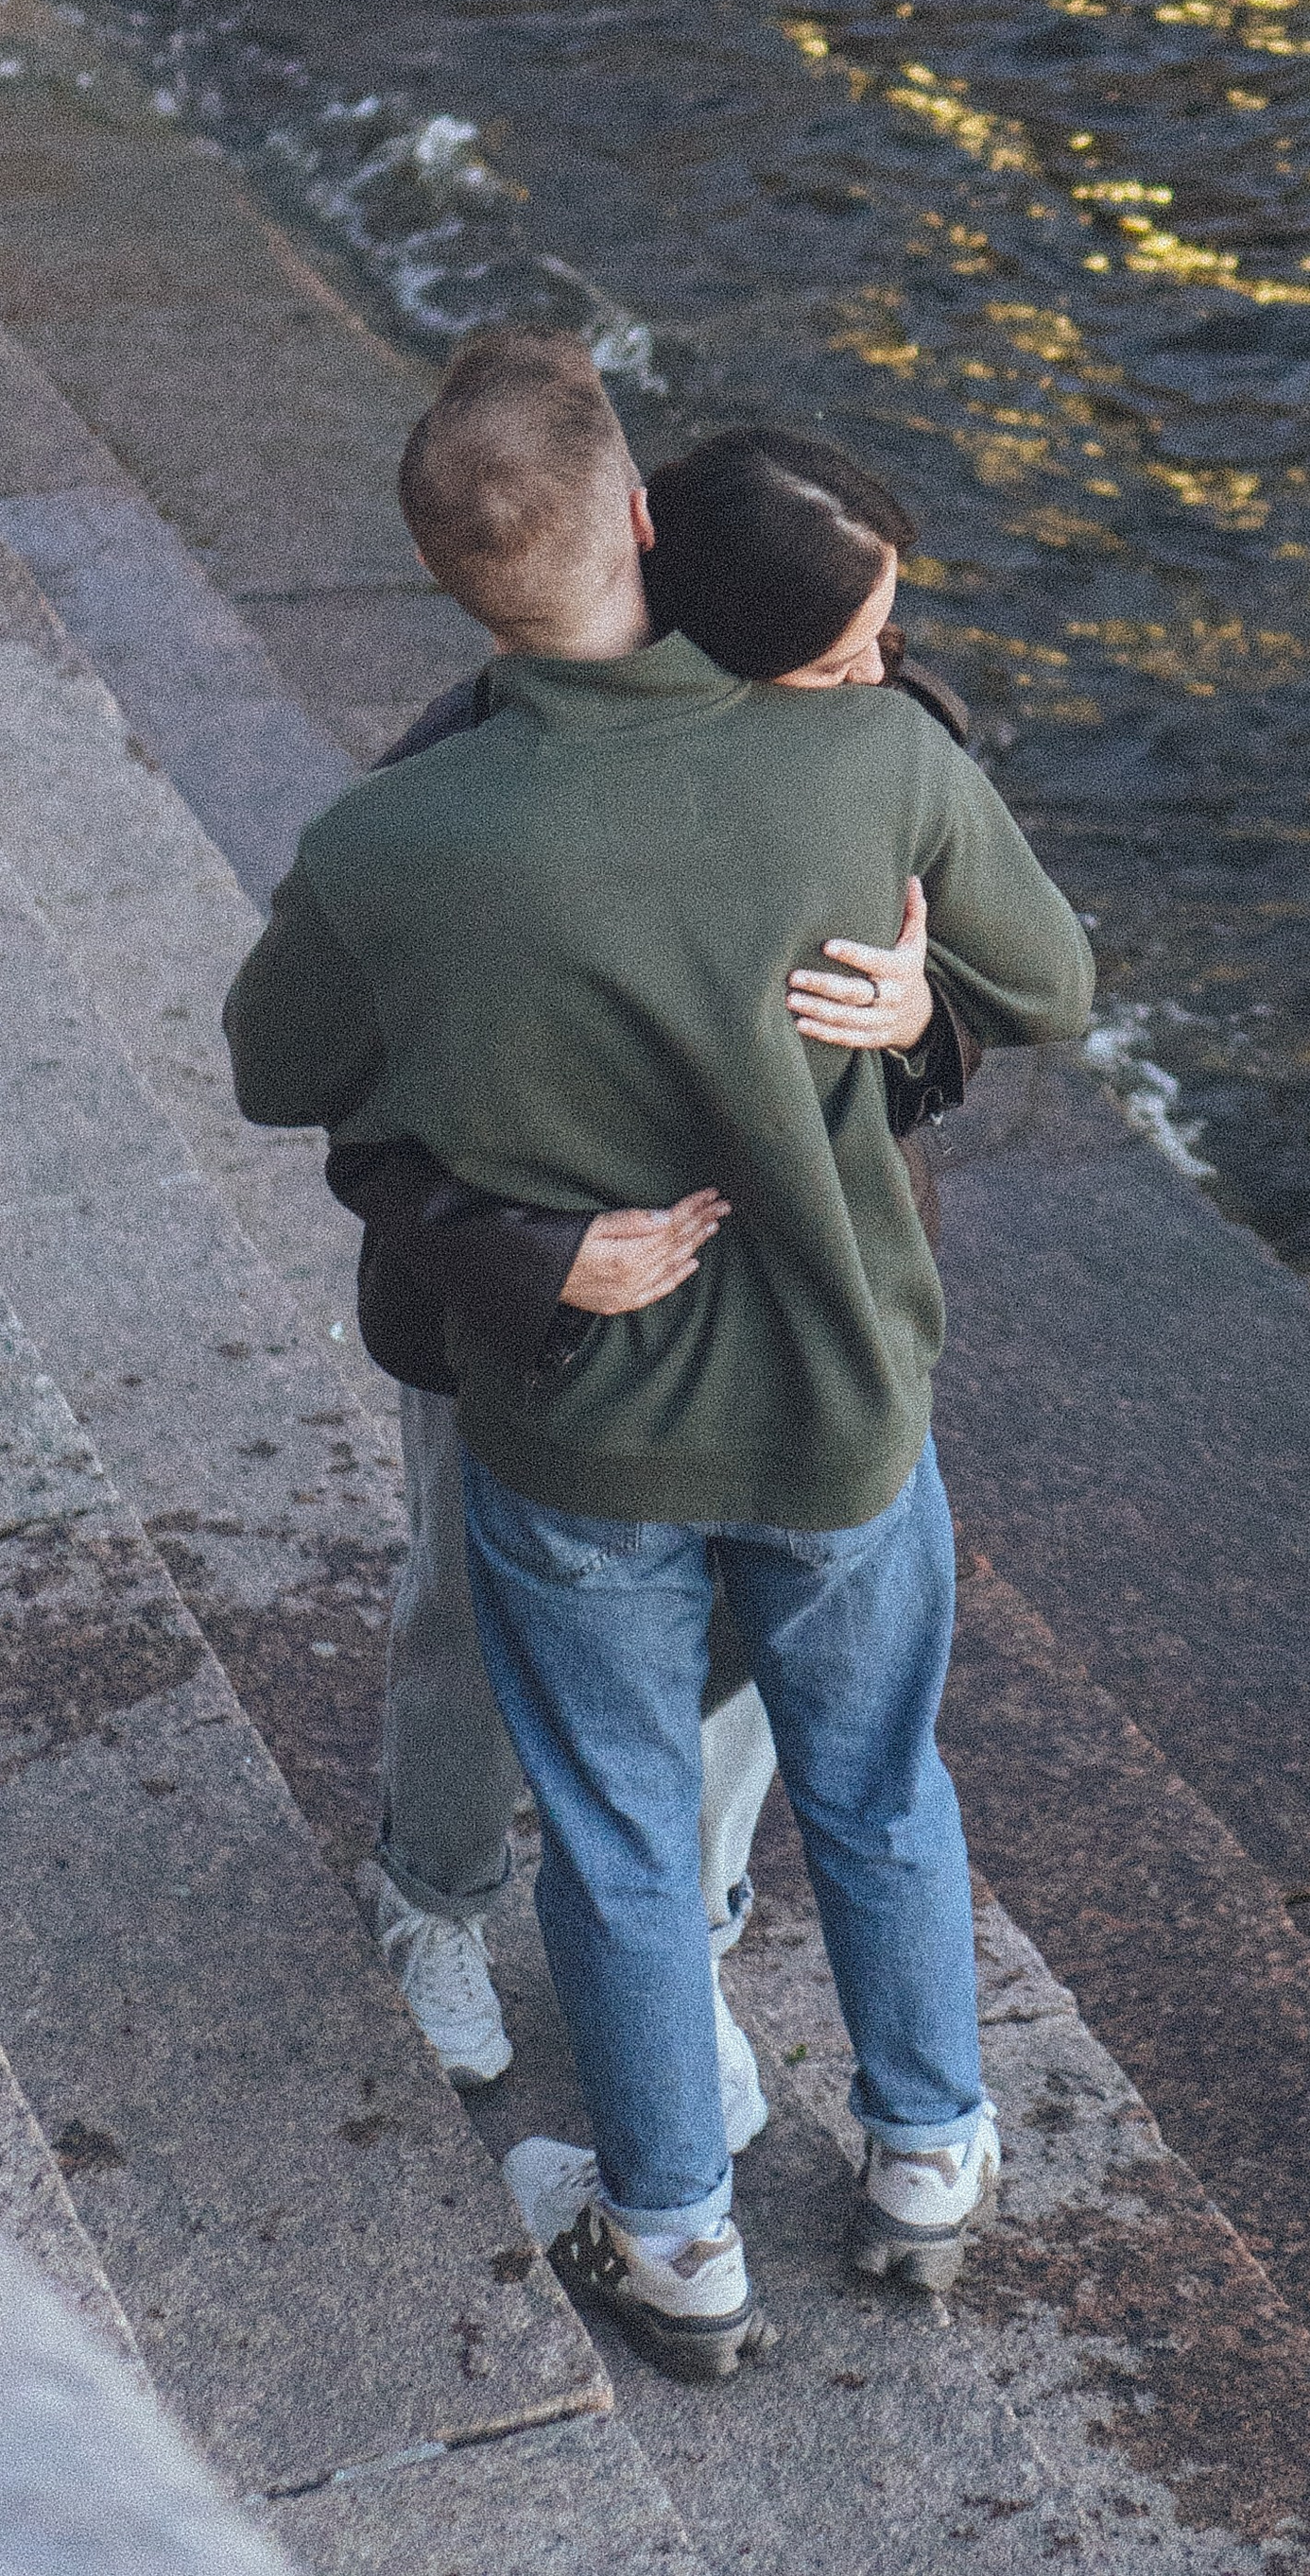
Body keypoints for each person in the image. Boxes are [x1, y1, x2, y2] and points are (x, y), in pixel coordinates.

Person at [224, 346, 1095, 2378]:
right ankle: (930, 2155)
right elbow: (1047, 979)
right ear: (642, 521)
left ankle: (674, 2242)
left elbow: (281, 1072)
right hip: (838, 1404)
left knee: (613, 1831)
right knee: (876, 1787)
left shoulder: (396, 842)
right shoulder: (870, 757)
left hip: (581, 1427)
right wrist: (903, 1010)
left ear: (446, 577)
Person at [334, 368, 982, 2124]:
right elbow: (356, 1102)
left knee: (757, 1660)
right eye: (843, 653)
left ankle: (677, 1937)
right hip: (523, 1319)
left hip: (795, 1287)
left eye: (883, 650)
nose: (877, 682)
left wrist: (924, 1012)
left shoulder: (877, 724)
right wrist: (531, 1251)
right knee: (469, 1616)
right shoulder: (467, 778)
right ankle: (438, 1896)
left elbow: (989, 955)